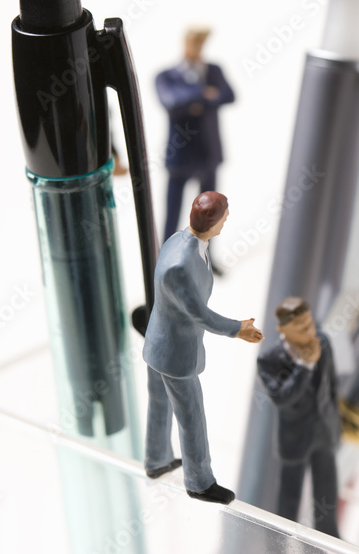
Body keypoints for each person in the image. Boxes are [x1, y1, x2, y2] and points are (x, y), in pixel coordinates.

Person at [142, 191, 263, 504]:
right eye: (224, 217)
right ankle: (199, 482)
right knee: (192, 418)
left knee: (159, 403)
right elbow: (201, 314)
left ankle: (156, 459)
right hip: (174, 355)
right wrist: (238, 328)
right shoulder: (181, 265)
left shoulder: (177, 240)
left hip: (158, 344)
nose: (226, 221)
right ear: (213, 222)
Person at [256, 297, 341, 537]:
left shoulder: (323, 343)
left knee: (327, 491)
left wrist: (335, 421)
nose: (308, 330)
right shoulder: (269, 360)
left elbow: (332, 386)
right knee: (289, 496)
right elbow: (282, 398)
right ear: (283, 329)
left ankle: (329, 536)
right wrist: (304, 366)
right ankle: (280, 540)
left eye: (309, 323)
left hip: (324, 429)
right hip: (294, 437)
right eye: (300, 327)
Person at [156, 26, 235, 241]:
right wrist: (202, 93)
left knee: (211, 214)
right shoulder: (166, 76)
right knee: (172, 213)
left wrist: (193, 103)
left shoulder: (213, 71)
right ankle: (166, 252)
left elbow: (229, 95)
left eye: (202, 43)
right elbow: (171, 102)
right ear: (186, 43)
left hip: (208, 151)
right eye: (195, 43)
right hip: (180, 153)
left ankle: (207, 254)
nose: (198, 48)